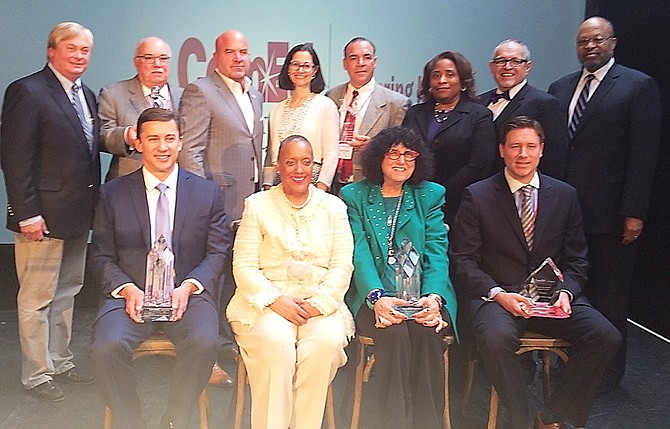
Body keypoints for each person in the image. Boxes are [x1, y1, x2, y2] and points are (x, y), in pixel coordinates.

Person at [449, 116, 621, 429]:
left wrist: (567, 292)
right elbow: (463, 261)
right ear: (502, 150)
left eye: (530, 146)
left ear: (542, 150)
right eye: (515, 146)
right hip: (499, 298)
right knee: (494, 337)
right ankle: (521, 419)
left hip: (552, 298)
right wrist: (499, 295)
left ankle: (551, 416)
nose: (523, 154)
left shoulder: (565, 195)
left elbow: (578, 259)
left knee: (606, 336)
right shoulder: (478, 195)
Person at [89, 108, 231, 429]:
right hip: (130, 295)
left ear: (181, 142)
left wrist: (190, 286)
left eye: (169, 138)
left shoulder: (207, 193)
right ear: (138, 143)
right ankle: (131, 422)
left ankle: (174, 420)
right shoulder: (112, 193)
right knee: (105, 348)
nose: (162, 146)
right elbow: (99, 255)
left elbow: (218, 252)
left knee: (206, 343)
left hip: (187, 296)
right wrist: (126, 289)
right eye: (153, 138)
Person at [548, 16, 661, 392]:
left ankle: (607, 375)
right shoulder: (560, 87)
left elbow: (643, 154)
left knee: (609, 296)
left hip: (611, 214)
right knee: (568, 293)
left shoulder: (637, 85)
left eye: (597, 40)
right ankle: (568, 366)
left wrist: (635, 211)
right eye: (583, 41)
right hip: (564, 211)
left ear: (613, 42)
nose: (590, 46)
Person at [0, 21, 99, 402]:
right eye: (71, 48)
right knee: (36, 298)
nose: (79, 56)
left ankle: (59, 360)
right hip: (39, 220)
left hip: (77, 216)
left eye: (85, 50)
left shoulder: (86, 95)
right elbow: (14, 157)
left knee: (68, 293)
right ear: (51, 51)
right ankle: (37, 374)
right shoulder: (27, 91)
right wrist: (26, 213)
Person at [227, 135, 353, 429]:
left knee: (325, 345)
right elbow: (243, 266)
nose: (299, 169)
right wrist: (274, 300)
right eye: (291, 162)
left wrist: (319, 303)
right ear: (278, 166)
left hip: (318, 303)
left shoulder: (334, 207)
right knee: (277, 346)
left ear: (315, 167)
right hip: (266, 303)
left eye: (306, 162)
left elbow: (341, 265)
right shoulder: (257, 205)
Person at [340, 126, 457, 429]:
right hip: (374, 296)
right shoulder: (354, 195)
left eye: (409, 154)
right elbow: (359, 252)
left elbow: (436, 251)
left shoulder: (429, 194)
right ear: (378, 156)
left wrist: (434, 298)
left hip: (424, 295)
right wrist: (377, 297)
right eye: (393, 153)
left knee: (425, 334)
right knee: (394, 335)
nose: (401, 160)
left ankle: (426, 424)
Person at [179, 29, 264, 384]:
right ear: (216, 56)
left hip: (249, 206)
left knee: (235, 279)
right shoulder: (201, 91)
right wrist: (202, 201)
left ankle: (226, 341)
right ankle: (205, 359)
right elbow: (190, 151)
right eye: (230, 52)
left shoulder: (255, 94)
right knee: (210, 282)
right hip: (215, 205)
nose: (238, 58)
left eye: (244, 51)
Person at [402, 51, 497, 225]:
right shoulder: (415, 113)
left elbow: (478, 165)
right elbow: (403, 152)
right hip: (413, 201)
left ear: (463, 82)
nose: (442, 80)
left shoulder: (479, 115)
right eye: (436, 75)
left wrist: (439, 192)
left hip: (459, 205)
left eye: (450, 74)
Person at [326, 37, 410, 193]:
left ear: (375, 62)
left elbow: (400, 154)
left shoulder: (396, 104)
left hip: (370, 187)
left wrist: (374, 148)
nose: (360, 63)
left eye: (367, 57)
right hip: (331, 185)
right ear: (344, 64)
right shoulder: (330, 96)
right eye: (353, 58)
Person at [479, 39, 567, 179]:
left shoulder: (545, 103)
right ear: (491, 67)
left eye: (515, 61)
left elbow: (555, 160)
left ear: (527, 67)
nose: (507, 67)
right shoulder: (479, 102)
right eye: (501, 61)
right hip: (480, 190)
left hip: (522, 189)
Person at [98, 36, 183, 181]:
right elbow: (101, 135)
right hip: (128, 184)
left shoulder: (185, 96)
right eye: (149, 58)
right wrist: (126, 136)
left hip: (176, 184)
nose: (157, 64)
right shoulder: (113, 93)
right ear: (136, 62)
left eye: (163, 58)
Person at [264, 43, 339, 191]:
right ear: (288, 69)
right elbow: (270, 158)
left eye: (306, 66)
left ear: (315, 71)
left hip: (312, 183)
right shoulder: (276, 110)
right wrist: (267, 188)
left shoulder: (325, 106)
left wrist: (320, 191)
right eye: (295, 65)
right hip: (279, 186)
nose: (300, 70)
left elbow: (331, 155)